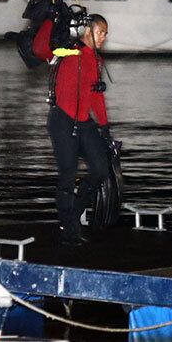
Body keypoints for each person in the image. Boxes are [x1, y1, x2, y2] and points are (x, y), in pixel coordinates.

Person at [33, 13, 111, 246]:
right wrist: (50, 19)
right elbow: (42, 50)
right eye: (101, 32)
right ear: (88, 31)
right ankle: (69, 229)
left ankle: (72, 214)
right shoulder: (69, 53)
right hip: (62, 121)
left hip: (84, 122)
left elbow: (97, 98)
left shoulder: (97, 60)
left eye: (106, 33)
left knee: (100, 169)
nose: (104, 37)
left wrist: (105, 127)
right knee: (67, 174)